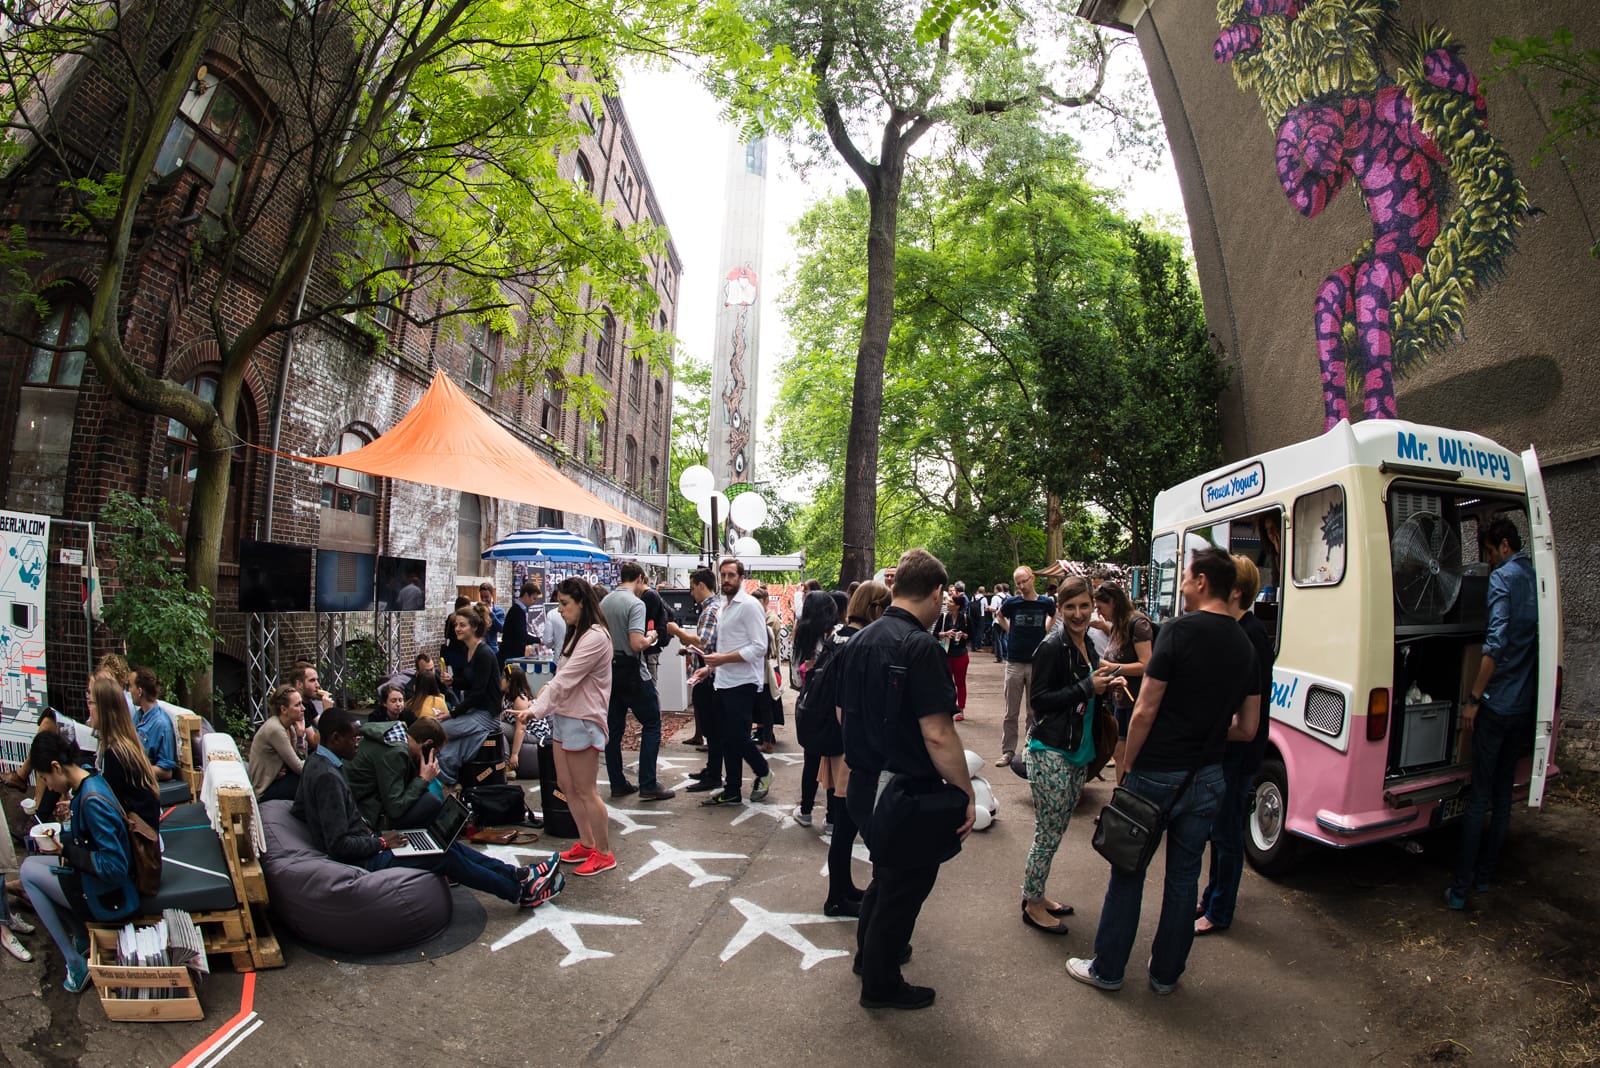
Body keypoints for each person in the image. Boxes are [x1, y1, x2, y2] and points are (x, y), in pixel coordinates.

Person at [1068, 547, 1261, 996]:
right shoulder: (1246, 644)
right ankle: (1166, 973)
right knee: (1183, 878)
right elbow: (1247, 727)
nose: (1185, 584)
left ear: (1202, 583)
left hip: (1155, 772)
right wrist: (1207, 733)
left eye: (1188, 577)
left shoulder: (1177, 631)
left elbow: (1144, 711)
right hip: (1208, 775)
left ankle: (1109, 969)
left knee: (1128, 870)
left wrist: (1128, 763)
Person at [838, 549, 974, 1011]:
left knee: (887, 877)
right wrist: (966, 793)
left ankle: (872, 957)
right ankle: (880, 982)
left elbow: (840, 711)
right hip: (901, 790)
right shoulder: (920, 647)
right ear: (937, 592)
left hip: (863, 782)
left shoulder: (858, 639)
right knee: (904, 887)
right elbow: (938, 734)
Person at [292, 708, 561, 908]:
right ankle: (519, 892)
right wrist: (381, 843)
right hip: (366, 855)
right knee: (443, 856)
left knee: (443, 844)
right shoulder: (327, 776)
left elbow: (300, 810)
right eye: (353, 739)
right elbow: (339, 845)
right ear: (335, 738)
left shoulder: (318, 764)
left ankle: (518, 874)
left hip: (369, 840)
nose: (358, 743)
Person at [1022, 579, 1126, 934]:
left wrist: (1107, 682)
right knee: (1047, 834)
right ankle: (1032, 903)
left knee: (1056, 830)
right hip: (1051, 750)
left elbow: (1086, 685)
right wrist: (1087, 687)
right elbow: (1039, 700)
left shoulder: (1084, 642)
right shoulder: (1052, 645)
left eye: (1084, 606)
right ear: (1060, 608)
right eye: (1070, 607)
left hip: (1076, 750)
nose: (1078, 614)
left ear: (1092, 606)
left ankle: (1037, 893)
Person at [1448, 517, 1539, 910]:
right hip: (1523, 706)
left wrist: (1473, 697)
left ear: (1503, 545)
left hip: (1498, 705)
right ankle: (1485, 878)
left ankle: (1459, 888)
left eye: (1487, 551)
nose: (1486, 562)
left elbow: (1495, 643)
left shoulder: (1503, 580)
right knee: (1502, 797)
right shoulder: (1536, 578)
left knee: (1478, 797)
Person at [19, 730, 140, 993]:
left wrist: (68, 851)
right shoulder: (89, 780)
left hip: (111, 896)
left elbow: (114, 867)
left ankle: (75, 963)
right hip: (100, 886)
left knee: (29, 873)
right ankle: (83, 938)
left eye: (45, 779)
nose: (48, 787)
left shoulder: (91, 801)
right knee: (33, 865)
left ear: (55, 767)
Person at [1197, 555, 1276, 935]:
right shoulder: (1240, 629)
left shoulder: (1251, 633)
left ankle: (1220, 910)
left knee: (1227, 834)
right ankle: (1212, 896)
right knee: (1219, 831)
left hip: (1239, 753)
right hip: (1229, 751)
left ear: (1236, 591)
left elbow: (1248, 705)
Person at [527, 577, 616, 876]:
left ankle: (604, 853)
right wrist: (544, 702)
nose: (560, 610)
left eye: (564, 604)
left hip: (582, 719)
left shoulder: (595, 636)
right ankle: (587, 843)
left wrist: (536, 709)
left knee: (586, 790)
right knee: (567, 786)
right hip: (565, 717)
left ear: (582, 602)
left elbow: (566, 679)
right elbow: (561, 678)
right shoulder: (577, 632)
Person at [816, 580, 890, 913]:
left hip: (835, 744)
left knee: (844, 825)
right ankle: (837, 898)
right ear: (874, 608)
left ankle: (843, 889)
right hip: (850, 747)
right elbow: (846, 704)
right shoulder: (860, 641)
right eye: (884, 608)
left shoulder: (837, 636)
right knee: (847, 826)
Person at [694, 558, 773, 807]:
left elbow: (760, 647)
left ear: (741, 578)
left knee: (738, 737)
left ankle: (763, 771)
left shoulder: (749, 606)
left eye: (731, 575)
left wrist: (722, 659)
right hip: (724, 681)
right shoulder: (723, 607)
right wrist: (710, 668)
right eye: (723, 575)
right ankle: (732, 789)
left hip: (743, 682)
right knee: (728, 737)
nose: (726, 580)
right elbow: (726, 646)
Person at [600, 562, 674, 802]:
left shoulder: (604, 602)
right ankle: (648, 783)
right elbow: (636, 643)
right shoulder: (636, 603)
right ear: (640, 578)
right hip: (632, 671)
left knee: (613, 728)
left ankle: (617, 782)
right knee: (652, 722)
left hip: (609, 671)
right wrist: (651, 635)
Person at [1091, 583, 1156, 779]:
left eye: (1101, 608)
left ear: (1114, 602)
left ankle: (1123, 801)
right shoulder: (1118, 626)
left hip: (1135, 701)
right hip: (1120, 700)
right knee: (1119, 752)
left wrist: (1113, 668)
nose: (1099, 613)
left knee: (1123, 753)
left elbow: (1147, 665)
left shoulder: (1137, 624)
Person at [790, 590, 842, 830]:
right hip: (833, 706)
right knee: (833, 762)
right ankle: (832, 818)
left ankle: (806, 810)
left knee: (811, 761)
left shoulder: (802, 638)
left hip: (809, 706)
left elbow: (796, 680)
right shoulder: (838, 637)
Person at [994, 568, 1056, 767]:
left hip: (1036, 662)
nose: (1021, 586)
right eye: (1018, 583)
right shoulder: (1012, 602)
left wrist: (1046, 630)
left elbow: (1053, 615)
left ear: (1032, 579)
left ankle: (1030, 748)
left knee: (1033, 710)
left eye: (1024, 581)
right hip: (1014, 661)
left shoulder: (1045, 602)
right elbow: (999, 615)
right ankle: (1008, 751)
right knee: (1011, 711)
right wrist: (1010, 631)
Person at [437, 604, 502, 787]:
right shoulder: (468, 650)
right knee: (449, 749)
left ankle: (450, 785)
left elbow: (479, 693)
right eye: (456, 625)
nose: (457, 629)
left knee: (440, 730)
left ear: (474, 627)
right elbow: (471, 683)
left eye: (462, 625)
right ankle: (451, 784)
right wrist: (453, 681)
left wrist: (453, 712)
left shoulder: (484, 653)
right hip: (474, 710)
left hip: (486, 715)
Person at [344, 716, 448, 831]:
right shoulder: (395, 753)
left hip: (360, 803)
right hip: (365, 815)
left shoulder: (394, 735)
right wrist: (423, 779)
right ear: (427, 744)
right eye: (436, 753)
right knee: (431, 801)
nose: (434, 758)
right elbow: (395, 808)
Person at [682, 569, 724, 786]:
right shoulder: (714, 608)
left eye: (691, 588)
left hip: (709, 676)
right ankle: (712, 770)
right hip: (709, 673)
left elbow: (703, 642)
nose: (690, 593)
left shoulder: (710, 611)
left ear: (701, 585)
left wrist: (677, 633)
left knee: (712, 727)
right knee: (711, 728)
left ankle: (715, 775)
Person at [249, 685, 309, 803]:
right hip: (265, 790)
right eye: (297, 705)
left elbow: (301, 758)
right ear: (284, 710)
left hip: (280, 780)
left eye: (301, 703)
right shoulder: (275, 729)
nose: (303, 708)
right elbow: (299, 767)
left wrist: (301, 736)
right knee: (310, 782)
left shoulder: (290, 727)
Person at [130, 667, 179, 783]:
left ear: (140, 691)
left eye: (130, 686)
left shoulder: (161, 725)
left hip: (144, 784)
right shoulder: (138, 715)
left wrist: (135, 771)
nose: (129, 690)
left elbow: (166, 772)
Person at [752, 587, 783, 752]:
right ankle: (763, 735)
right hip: (759, 670)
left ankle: (767, 738)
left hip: (766, 669)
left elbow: (764, 646)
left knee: (766, 705)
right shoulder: (761, 620)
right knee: (761, 705)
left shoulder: (770, 621)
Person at [936, 589, 970, 721]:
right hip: (946, 653)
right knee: (946, 682)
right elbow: (935, 633)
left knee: (960, 683)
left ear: (957, 605)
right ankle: (946, 707)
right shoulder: (944, 617)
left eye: (950, 601)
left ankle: (960, 709)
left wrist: (964, 635)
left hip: (961, 655)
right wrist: (945, 634)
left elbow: (971, 635)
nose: (947, 603)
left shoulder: (966, 618)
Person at [500, 581, 543, 666]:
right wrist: (539, 640)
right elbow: (522, 636)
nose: (534, 602)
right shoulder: (517, 611)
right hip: (510, 656)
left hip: (513, 655)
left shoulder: (518, 610)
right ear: (526, 595)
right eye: (533, 598)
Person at [479, 581, 506, 658]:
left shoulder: (499, 611)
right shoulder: (477, 610)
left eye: (486, 597)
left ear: (492, 595)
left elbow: (502, 629)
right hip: (478, 650)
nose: (484, 600)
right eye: (482, 597)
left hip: (492, 650)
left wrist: (491, 614)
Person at [989, 584, 1008, 662]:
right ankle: (1006, 655)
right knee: (1003, 638)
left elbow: (993, 608)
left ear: (996, 589)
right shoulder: (1007, 597)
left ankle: (999, 657)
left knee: (997, 639)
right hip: (1006, 620)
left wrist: (989, 608)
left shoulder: (995, 597)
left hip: (997, 620)